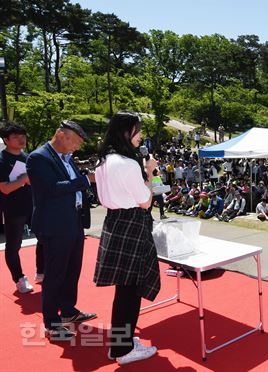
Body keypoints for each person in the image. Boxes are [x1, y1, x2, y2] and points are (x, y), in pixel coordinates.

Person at [93, 111, 160, 365]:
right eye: (137, 130)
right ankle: (123, 350)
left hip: (114, 222)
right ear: (126, 132)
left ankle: (121, 344)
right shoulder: (128, 163)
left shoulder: (104, 161)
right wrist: (150, 173)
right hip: (132, 224)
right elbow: (145, 202)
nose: (140, 136)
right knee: (130, 292)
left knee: (124, 291)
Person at [26, 120, 96, 341]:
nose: (76, 147)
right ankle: (51, 323)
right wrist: (85, 180)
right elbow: (51, 189)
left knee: (72, 270)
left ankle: (67, 310)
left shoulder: (66, 159)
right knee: (55, 274)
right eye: (75, 142)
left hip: (73, 221)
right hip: (54, 225)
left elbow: (71, 186)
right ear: (61, 135)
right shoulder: (38, 158)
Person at [0, 122, 37, 293]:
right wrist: (22, 179)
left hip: (34, 205)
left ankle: (42, 271)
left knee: (46, 236)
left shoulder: (28, 157)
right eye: (15, 136)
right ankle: (19, 278)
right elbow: (5, 188)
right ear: (6, 140)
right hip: (13, 208)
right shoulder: (2, 160)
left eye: (23, 135)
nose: (21, 139)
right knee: (14, 245)